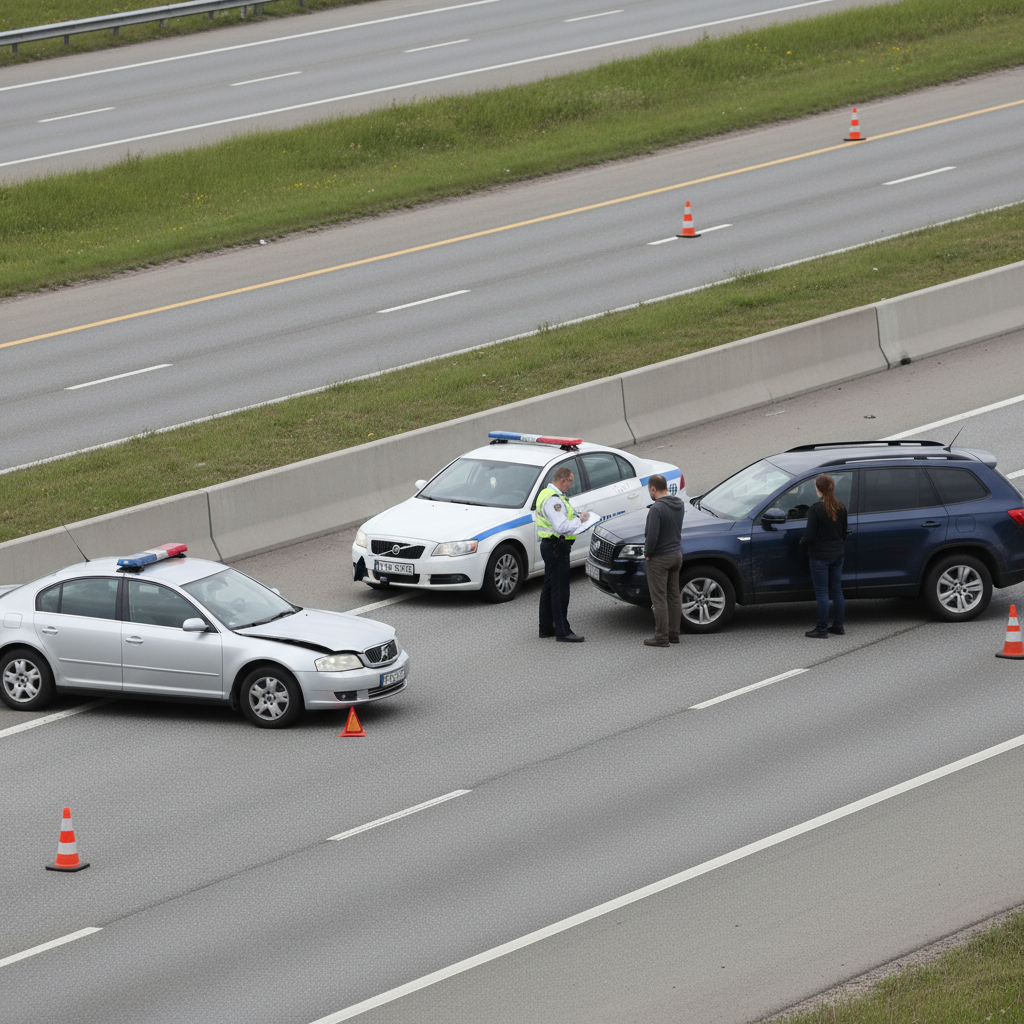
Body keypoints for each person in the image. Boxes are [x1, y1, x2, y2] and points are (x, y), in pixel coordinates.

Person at [536, 465, 591, 642]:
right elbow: (561, 526)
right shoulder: (554, 500)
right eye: (570, 482)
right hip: (557, 547)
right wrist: (580, 521)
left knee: (550, 587)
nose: (571, 486)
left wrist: (575, 517)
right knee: (560, 590)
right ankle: (563, 631)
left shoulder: (548, 495)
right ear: (562, 480)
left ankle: (546, 627)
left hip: (550, 545)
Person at [800, 473, 848, 639]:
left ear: (819, 489)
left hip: (820, 556)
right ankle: (839, 626)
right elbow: (843, 532)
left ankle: (821, 629)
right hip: (838, 554)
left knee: (822, 593)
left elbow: (809, 536)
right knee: (837, 590)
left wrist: (802, 544)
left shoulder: (815, 509)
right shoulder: (841, 507)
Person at [643, 474, 684, 647]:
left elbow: (652, 536)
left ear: (653, 489)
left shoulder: (656, 509)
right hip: (676, 555)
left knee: (659, 599)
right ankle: (674, 634)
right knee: (674, 596)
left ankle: (661, 637)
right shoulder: (679, 504)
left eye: (649, 490)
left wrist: (647, 553)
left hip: (660, 558)